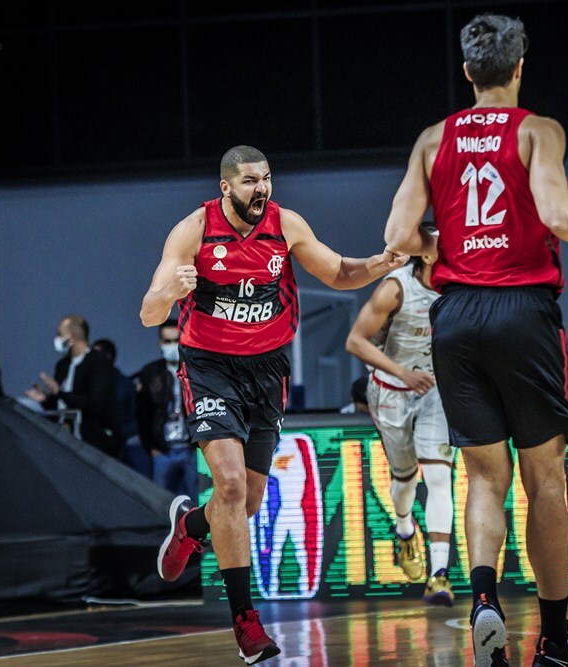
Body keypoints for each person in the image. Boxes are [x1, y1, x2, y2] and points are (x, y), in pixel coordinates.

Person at [383, 14, 568, 667]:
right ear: (520, 67)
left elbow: (398, 235)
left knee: (484, 478)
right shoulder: (538, 130)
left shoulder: (433, 139)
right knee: (545, 477)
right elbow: (554, 211)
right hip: (523, 310)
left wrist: (441, 248)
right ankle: (554, 638)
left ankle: (485, 600)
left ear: (467, 71)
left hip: (455, 314)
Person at [139, 145, 407, 665]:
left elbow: (338, 273)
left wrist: (379, 264)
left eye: (265, 179)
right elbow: (149, 314)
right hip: (210, 367)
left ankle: (191, 527)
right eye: (248, 181)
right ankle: (246, 620)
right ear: (225, 187)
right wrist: (169, 291)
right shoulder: (194, 230)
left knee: (249, 504)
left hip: (266, 370)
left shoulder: (286, 225)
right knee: (232, 486)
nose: (260, 189)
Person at [345, 250, 456, 607]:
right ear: (424, 253)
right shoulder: (395, 288)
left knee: (440, 478)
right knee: (404, 481)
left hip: (436, 389)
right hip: (392, 390)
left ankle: (439, 575)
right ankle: (405, 527)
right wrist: (403, 372)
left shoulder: (457, 285)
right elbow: (355, 341)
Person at [24, 314, 119, 457]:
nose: (57, 339)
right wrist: (45, 399)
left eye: (60, 334)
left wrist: (59, 393)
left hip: (90, 442)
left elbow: (94, 404)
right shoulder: (62, 365)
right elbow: (61, 401)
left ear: (72, 336)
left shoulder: (98, 364)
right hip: (61, 437)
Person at [135, 319, 198, 499]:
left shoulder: (194, 370)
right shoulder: (150, 372)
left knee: (194, 503)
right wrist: (151, 448)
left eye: (176, 340)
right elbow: (142, 413)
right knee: (161, 502)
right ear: (160, 343)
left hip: (190, 449)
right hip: (162, 450)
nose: (172, 346)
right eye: (168, 341)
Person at [92, 337, 140, 465]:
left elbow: (134, 417)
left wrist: (118, 433)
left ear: (108, 356)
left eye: (96, 354)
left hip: (122, 446)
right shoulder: (91, 382)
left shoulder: (124, 385)